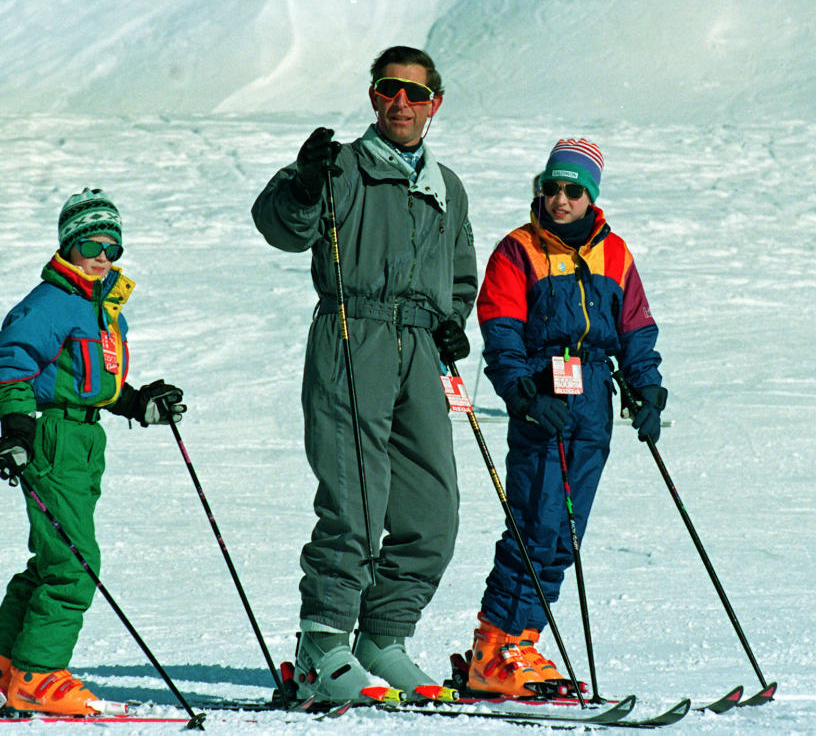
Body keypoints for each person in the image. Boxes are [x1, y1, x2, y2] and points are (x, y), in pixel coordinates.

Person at [251, 46, 478, 704]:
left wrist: (450, 318)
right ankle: (323, 643)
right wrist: (300, 183)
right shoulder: (343, 166)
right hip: (355, 333)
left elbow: (459, 271)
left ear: (435, 101)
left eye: (415, 92)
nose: (401, 102)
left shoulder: (447, 186)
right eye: (388, 89)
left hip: (420, 349)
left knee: (432, 511)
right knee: (355, 499)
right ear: (374, 97)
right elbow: (283, 229)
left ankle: (382, 637)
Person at [0, 188, 186, 716]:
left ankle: (0, 671)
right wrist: (17, 431)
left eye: (112, 248)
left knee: (51, 559)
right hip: (53, 436)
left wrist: (139, 403)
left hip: (85, 439)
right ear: (68, 244)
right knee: (73, 562)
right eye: (91, 244)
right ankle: (38, 677)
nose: (102, 256)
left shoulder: (100, 305)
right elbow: (10, 362)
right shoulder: (52, 301)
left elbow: (92, 381)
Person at [466, 139, 667, 697]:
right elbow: (500, 329)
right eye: (549, 188)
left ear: (591, 196)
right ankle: (494, 648)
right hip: (544, 394)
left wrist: (647, 389)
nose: (559, 199)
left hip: (594, 397)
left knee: (564, 533)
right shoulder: (518, 249)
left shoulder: (615, 254)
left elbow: (635, 327)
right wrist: (524, 393)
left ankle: (524, 642)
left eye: (572, 190)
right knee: (534, 521)